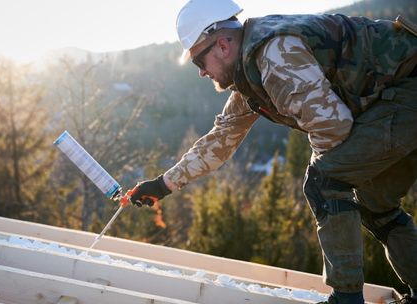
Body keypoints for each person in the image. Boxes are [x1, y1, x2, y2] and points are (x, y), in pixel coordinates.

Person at [128, 0, 417, 303]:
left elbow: (333, 126)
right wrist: (162, 185)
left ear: (223, 45)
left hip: (406, 94)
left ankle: (346, 298)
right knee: (376, 206)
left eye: (200, 62)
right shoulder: (250, 69)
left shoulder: (275, 57)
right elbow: (222, 137)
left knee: (323, 181)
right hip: (396, 100)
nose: (202, 73)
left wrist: (326, 179)